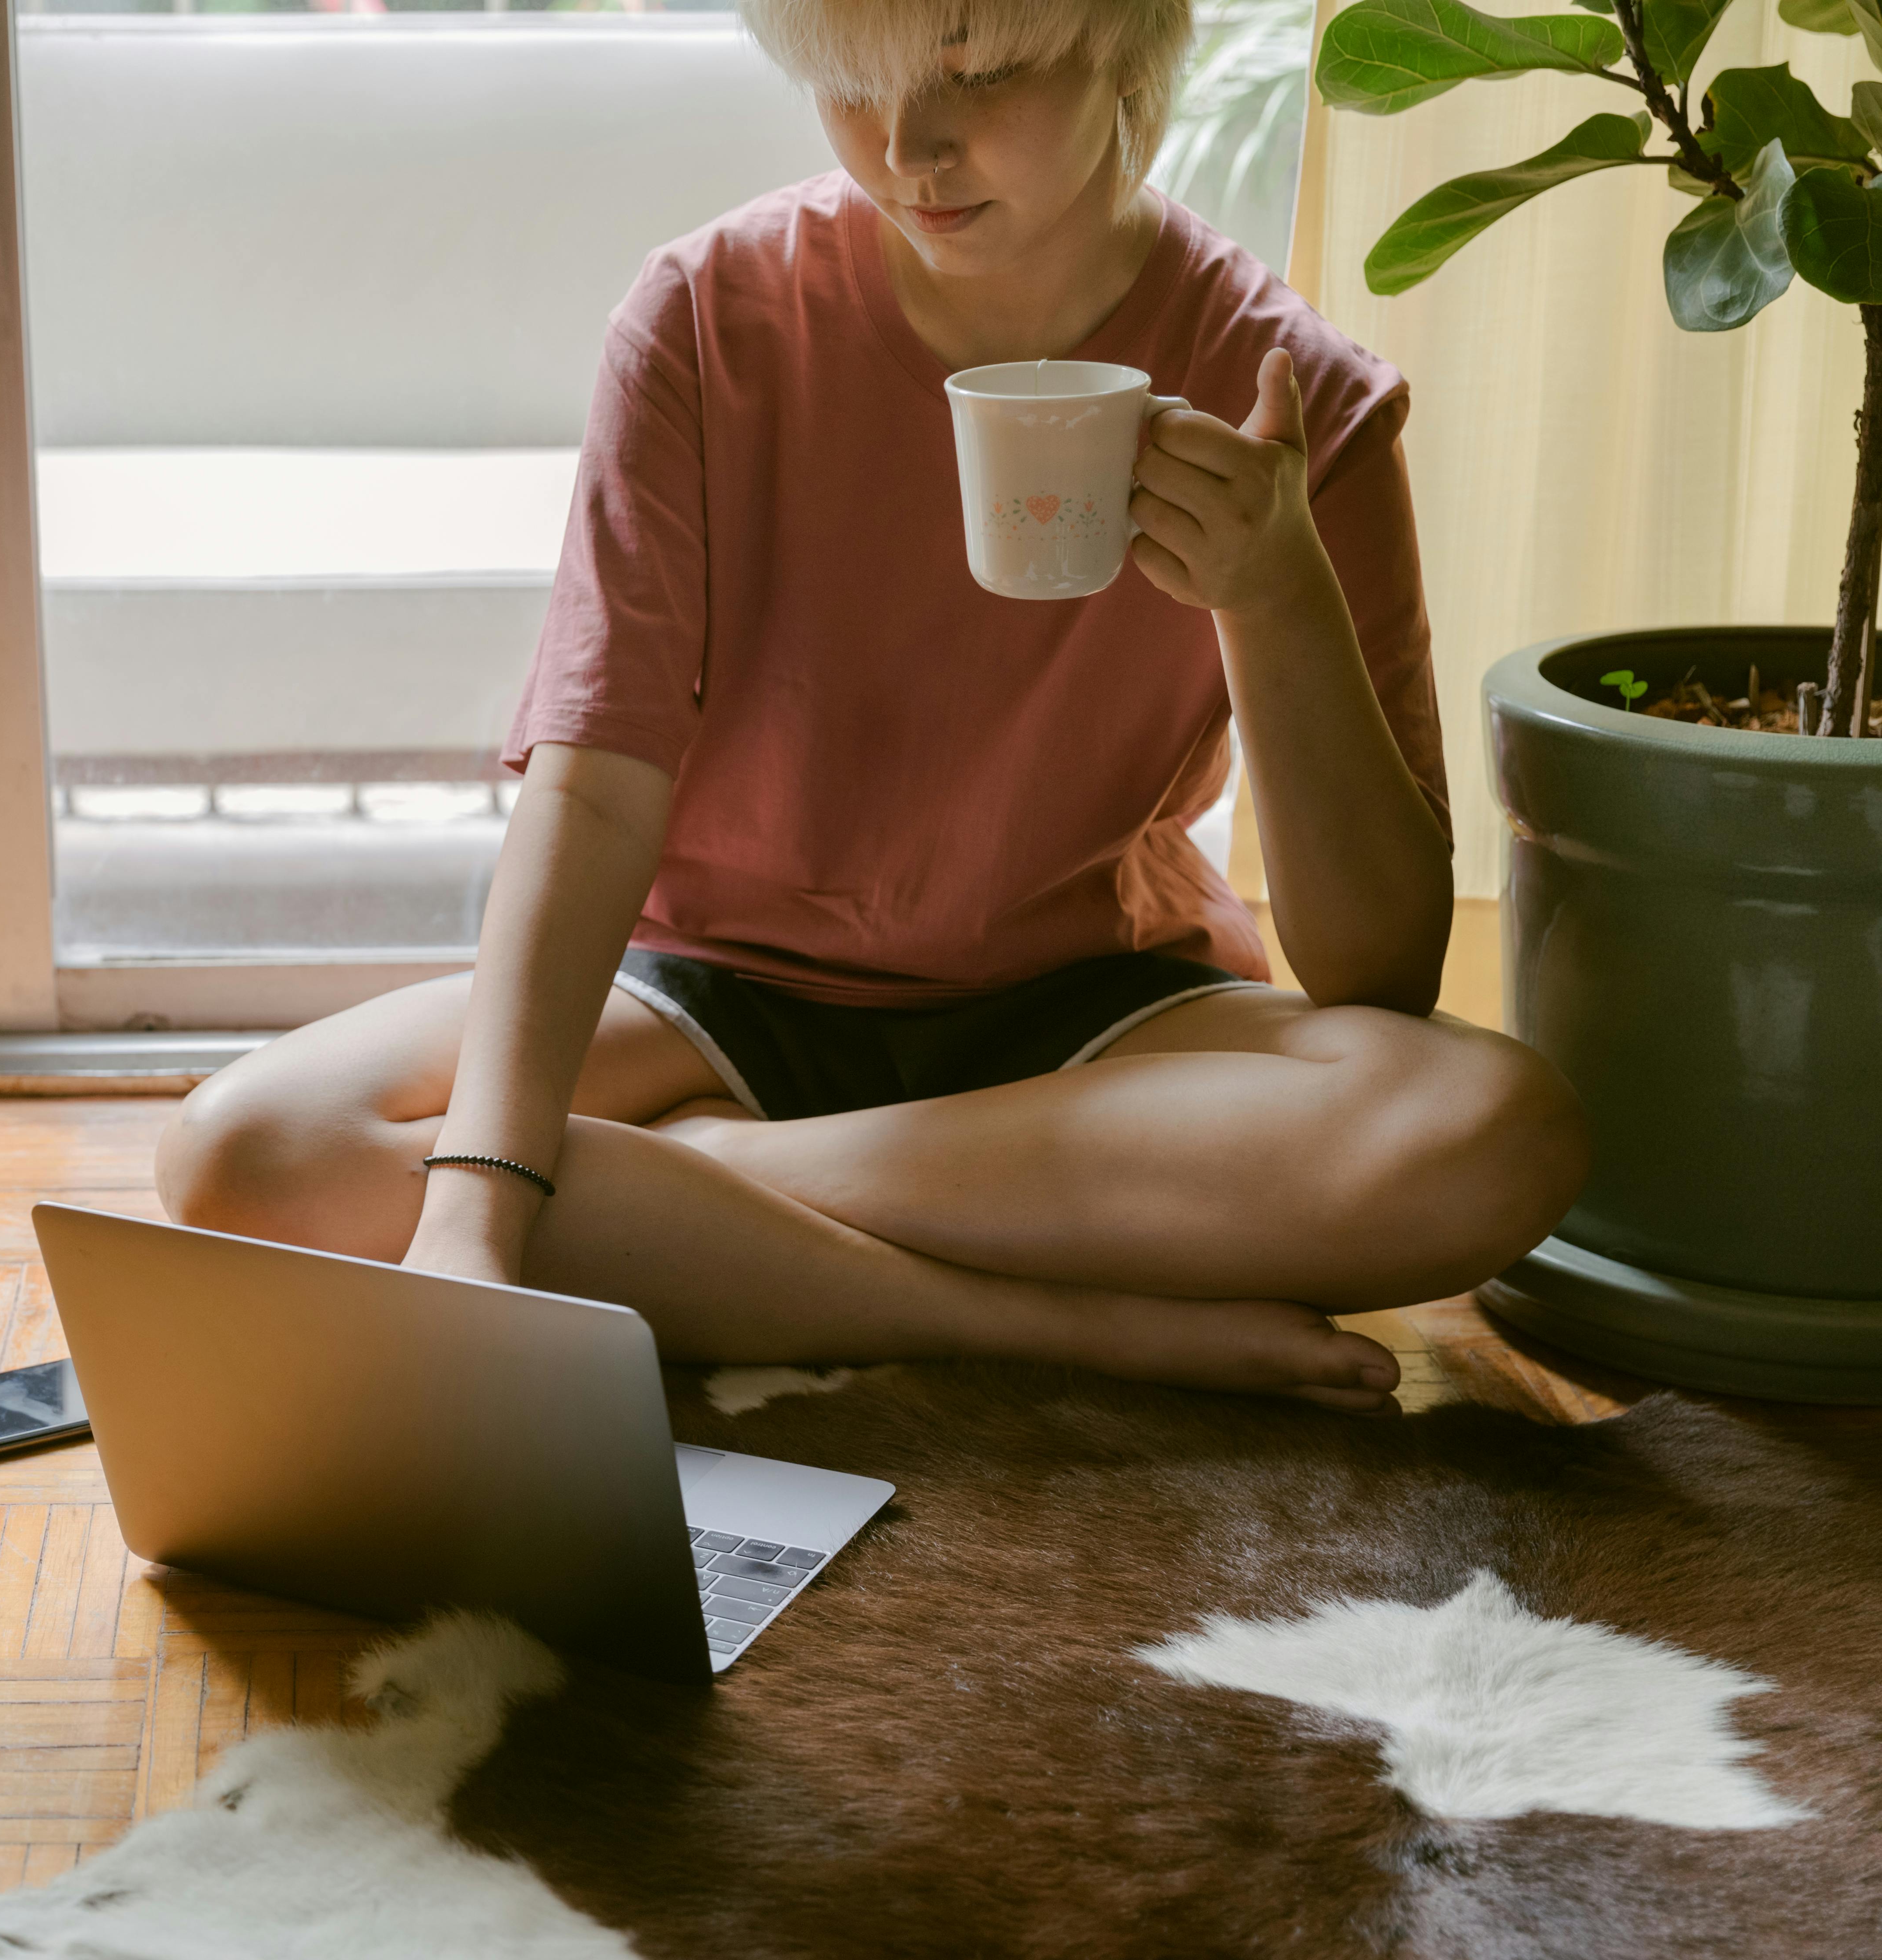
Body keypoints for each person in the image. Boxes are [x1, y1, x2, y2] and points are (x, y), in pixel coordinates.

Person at [157, 0, 1589, 1413]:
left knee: (1491, 1135)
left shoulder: (1298, 399)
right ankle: (1051, 1322)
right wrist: (469, 1217)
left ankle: (706, 1202)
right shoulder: (708, 320)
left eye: (983, 75)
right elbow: (595, 787)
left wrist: (1275, 596)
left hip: (1101, 1017)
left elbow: (1379, 977)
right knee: (245, 1155)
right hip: (715, 989)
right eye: (854, 84)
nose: (911, 149)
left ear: (1133, 45)